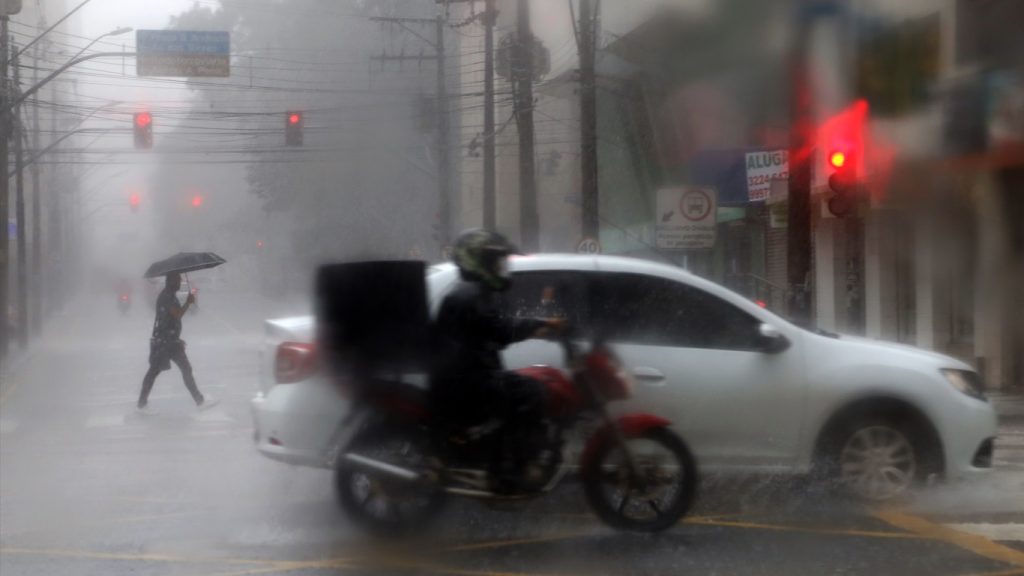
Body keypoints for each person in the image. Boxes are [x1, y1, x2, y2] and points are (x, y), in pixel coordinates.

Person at [430, 229, 563, 490]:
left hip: (468, 375)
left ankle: (509, 459)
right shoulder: (468, 295)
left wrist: (538, 327)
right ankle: (510, 470)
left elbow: (494, 333)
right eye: (495, 261)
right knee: (531, 393)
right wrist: (540, 324)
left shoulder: (473, 292)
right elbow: (500, 330)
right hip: (466, 381)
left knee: (525, 388)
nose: (501, 268)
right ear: (477, 261)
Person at [137, 272, 216, 412]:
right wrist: (188, 303)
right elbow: (177, 314)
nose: (180, 282)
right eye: (178, 280)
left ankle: (199, 401)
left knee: (182, 369)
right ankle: (141, 405)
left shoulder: (169, 295)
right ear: (171, 281)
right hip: (166, 341)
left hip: (169, 340)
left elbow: (172, 319)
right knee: (155, 372)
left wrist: (177, 338)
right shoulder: (167, 296)